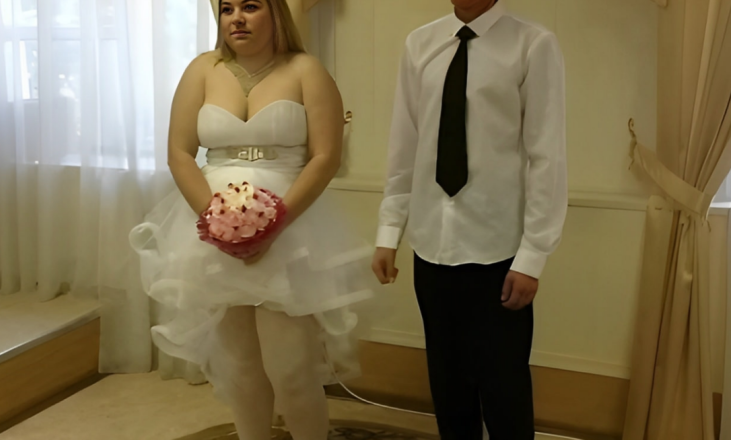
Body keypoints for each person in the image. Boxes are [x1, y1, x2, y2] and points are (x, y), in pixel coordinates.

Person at [128, 1, 379, 439]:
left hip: (292, 232)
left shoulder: (306, 69)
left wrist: (274, 223)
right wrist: (217, 223)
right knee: (240, 368)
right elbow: (179, 154)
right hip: (212, 232)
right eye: (227, 8)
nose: (236, 18)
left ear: (275, 12)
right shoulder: (202, 69)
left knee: (292, 370)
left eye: (250, 6)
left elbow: (325, 157)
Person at [372, 0, 567, 438]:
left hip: (499, 253)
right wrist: (389, 231)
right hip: (431, 246)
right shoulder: (420, 44)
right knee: (449, 388)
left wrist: (533, 256)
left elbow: (547, 157)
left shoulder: (533, 44)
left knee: (504, 390)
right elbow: (405, 145)